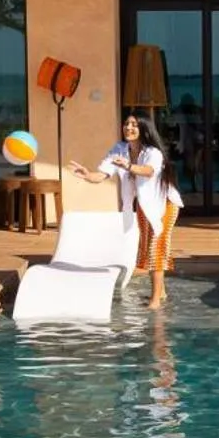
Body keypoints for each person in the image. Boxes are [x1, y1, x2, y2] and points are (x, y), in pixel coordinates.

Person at [68, 113, 184, 310]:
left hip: (164, 204)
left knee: (157, 247)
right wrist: (87, 175)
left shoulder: (152, 152)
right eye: (126, 123)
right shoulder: (119, 150)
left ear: (144, 129)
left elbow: (148, 171)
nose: (128, 127)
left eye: (134, 124)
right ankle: (161, 292)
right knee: (148, 247)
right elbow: (102, 174)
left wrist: (129, 166)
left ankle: (155, 300)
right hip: (144, 205)